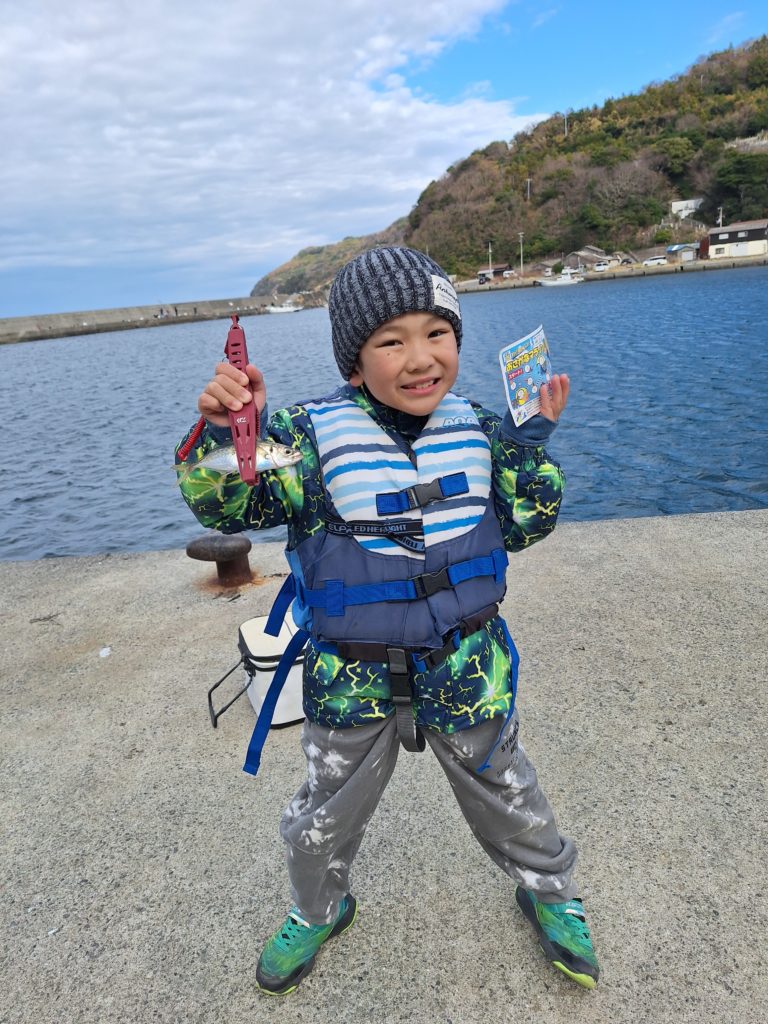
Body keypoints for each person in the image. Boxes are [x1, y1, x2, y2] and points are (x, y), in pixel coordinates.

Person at [176, 246, 600, 995]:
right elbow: (232, 505)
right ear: (353, 360)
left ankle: (551, 893)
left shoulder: (484, 429)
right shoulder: (305, 438)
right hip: (350, 676)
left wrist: (528, 445)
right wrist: (224, 433)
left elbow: (527, 525)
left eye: (438, 334)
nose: (420, 357)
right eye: (391, 341)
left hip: (469, 667)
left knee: (511, 796)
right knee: (322, 816)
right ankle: (318, 908)